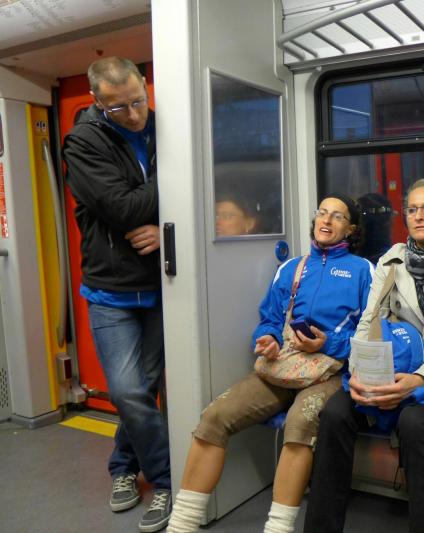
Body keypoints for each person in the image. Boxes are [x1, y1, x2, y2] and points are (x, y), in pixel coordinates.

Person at [166, 195, 373, 533]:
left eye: (337, 216)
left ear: (350, 229)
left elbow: (371, 335)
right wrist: (269, 339)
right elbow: (270, 319)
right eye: (322, 212)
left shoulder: (364, 271)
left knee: (299, 424)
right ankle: (181, 525)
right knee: (215, 417)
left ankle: (277, 529)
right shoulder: (291, 268)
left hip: (330, 370)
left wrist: (328, 343)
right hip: (283, 365)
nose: (326, 220)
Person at [303, 179, 424, 533]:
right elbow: (368, 322)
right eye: (412, 209)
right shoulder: (392, 260)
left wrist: (418, 380)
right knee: (336, 412)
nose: (419, 216)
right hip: (389, 368)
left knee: (415, 422)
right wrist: (359, 371)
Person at [62, 56, 170, 532]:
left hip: (162, 284)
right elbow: (123, 210)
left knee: (142, 392)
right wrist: (171, 181)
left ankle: (123, 467)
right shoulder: (84, 141)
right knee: (127, 391)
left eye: (138, 101)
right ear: (97, 102)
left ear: (145, 85)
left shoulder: (166, 125)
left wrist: (166, 231)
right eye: (119, 108)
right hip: (111, 291)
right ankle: (169, 479)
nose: (134, 115)